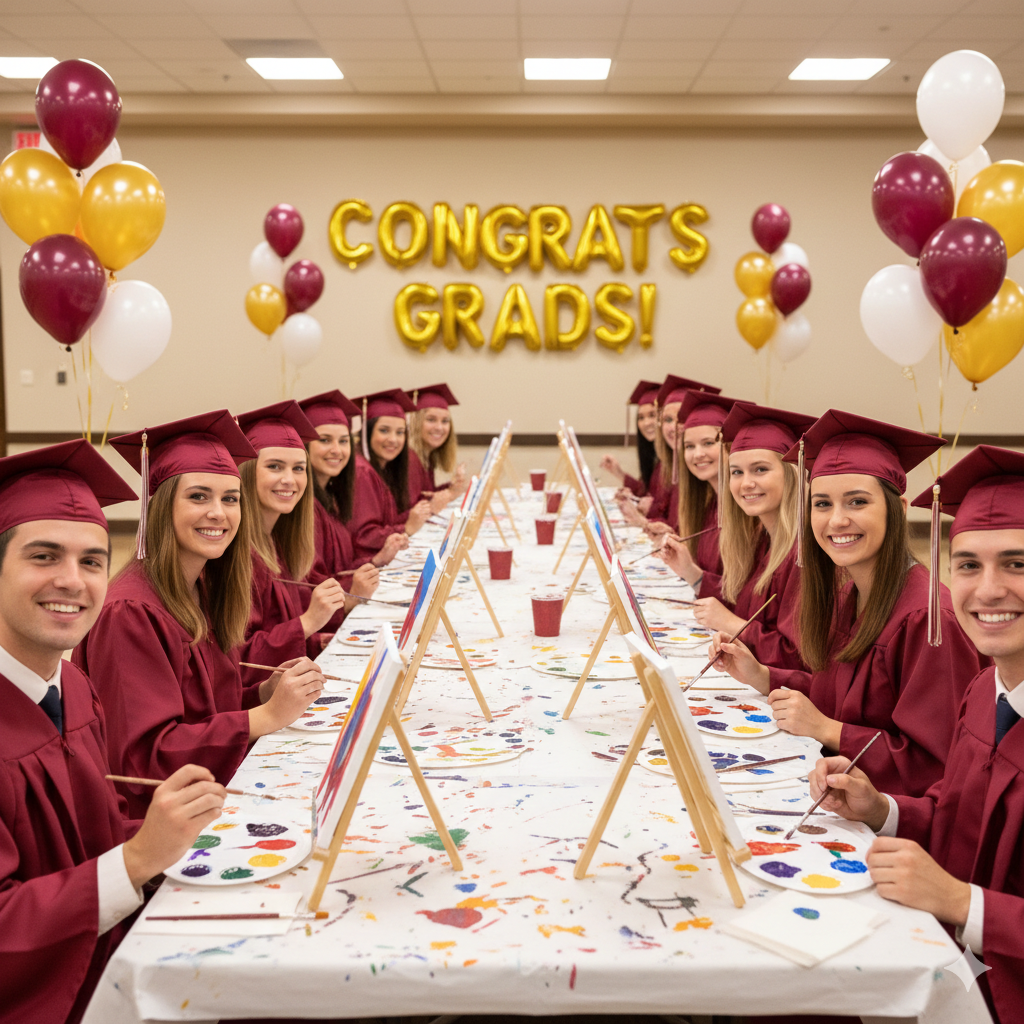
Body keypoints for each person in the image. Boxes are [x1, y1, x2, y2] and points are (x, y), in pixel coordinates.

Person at [0, 440, 227, 1023]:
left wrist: (186, 831)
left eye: (92, 560)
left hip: (113, 942)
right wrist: (137, 859)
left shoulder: (70, 688)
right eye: (44, 556)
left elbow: (90, 831)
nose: (72, 581)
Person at [809, 445, 1024, 1023]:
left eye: (1017, 564)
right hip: (946, 953)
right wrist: (881, 808)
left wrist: (960, 901)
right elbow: (957, 816)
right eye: (969, 564)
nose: (989, 590)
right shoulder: (986, 693)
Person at [709, 410, 984, 797]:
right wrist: (761, 675)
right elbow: (836, 696)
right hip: (833, 790)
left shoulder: (926, 618)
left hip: (888, 829)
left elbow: (937, 766)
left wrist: (826, 729)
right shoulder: (847, 594)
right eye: (822, 504)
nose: (836, 520)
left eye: (856, 502)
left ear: (898, 510)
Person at [73, 411, 325, 817]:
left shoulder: (201, 587)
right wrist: (263, 717)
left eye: (229, 498)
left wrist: (262, 693)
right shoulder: (130, 611)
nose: (218, 513)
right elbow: (144, 759)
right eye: (198, 496)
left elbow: (205, 709)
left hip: (208, 792)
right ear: (160, 506)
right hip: (163, 828)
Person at [662, 400, 814, 670]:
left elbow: (800, 659)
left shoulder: (804, 554)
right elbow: (742, 606)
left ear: (790, 474)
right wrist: (693, 574)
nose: (746, 483)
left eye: (761, 469)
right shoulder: (761, 539)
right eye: (736, 472)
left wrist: (731, 624)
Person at [235, 400, 376, 677]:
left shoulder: (280, 542)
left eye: (299, 468)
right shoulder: (235, 555)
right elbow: (235, 661)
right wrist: (308, 623)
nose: (290, 479)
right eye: (275, 466)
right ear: (249, 471)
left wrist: (317, 639)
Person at [299, 389, 407, 574]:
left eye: (343, 441)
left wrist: (376, 560)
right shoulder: (304, 508)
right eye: (325, 440)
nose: (337, 450)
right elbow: (313, 584)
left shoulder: (333, 498)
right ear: (304, 446)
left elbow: (338, 569)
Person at [618, 374, 721, 533]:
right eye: (667, 420)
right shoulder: (667, 466)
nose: (673, 427)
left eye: (681, 418)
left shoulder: (709, 479)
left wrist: (645, 520)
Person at [348, 389, 431, 563]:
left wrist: (412, 517)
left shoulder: (383, 468)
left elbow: (385, 520)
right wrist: (406, 527)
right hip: (365, 566)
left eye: (400, 432)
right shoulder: (362, 471)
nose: (393, 439)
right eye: (384, 431)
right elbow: (364, 536)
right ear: (367, 432)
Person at [669, 389, 739, 576]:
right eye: (689, 446)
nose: (698, 454)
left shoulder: (747, 514)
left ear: (728, 445)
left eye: (708, 443)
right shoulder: (707, 506)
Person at [405, 383, 467, 513]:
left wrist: (453, 488)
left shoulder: (426, 456)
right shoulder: (410, 460)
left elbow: (426, 495)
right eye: (431, 420)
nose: (439, 427)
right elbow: (412, 511)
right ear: (416, 422)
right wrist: (449, 494)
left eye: (445, 421)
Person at [600, 379, 661, 505]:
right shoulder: (655, 455)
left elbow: (665, 510)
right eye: (641, 418)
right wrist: (619, 473)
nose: (646, 423)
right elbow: (646, 492)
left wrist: (645, 508)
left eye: (652, 415)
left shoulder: (673, 462)